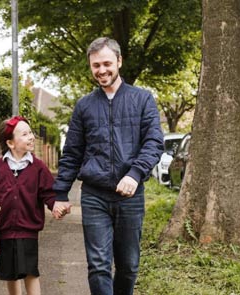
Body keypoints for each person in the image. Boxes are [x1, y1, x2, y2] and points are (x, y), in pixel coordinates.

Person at [53, 37, 164, 295]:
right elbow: (72, 152)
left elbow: (154, 142)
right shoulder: (84, 106)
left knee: (128, 266)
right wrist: (60, 193)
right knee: (99, 265)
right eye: (95, 65)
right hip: (94, 196)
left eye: (106, 63)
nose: (101, 70)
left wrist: (135, 173)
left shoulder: (143, 100)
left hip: (130, 197)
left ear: (119, 61)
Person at [0, 116, 65, 295]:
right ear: (10, 143)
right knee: (11, 273)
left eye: (31, 132)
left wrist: (55, 206)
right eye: (25, 134)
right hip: (5, 229)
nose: (31, 136)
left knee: (30, 271)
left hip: (28, 229)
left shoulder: (38, 167)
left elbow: (48, 193)